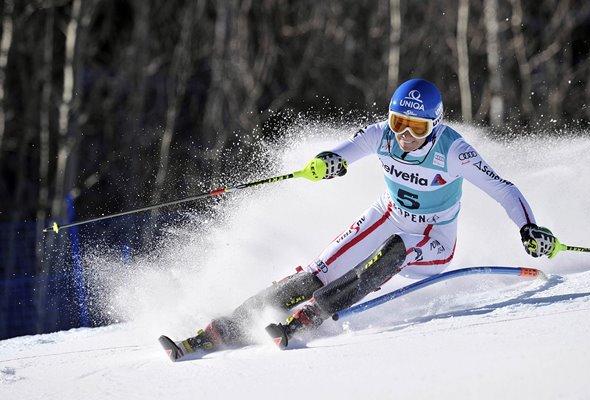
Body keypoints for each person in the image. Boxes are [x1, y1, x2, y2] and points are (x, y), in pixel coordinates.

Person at [159, 78, 558, 360]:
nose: (404, 137)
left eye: (415, 128)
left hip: (433, 237)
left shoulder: (454, 151)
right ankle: (224, 327)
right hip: (387, 214)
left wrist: (529, 226)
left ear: (434, 127)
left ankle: (309, 316)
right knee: (317, 271)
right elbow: (341, 153)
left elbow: (504, 189)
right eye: (399, 123)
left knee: (392, 252)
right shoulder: (381, 135)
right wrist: (325, 164)